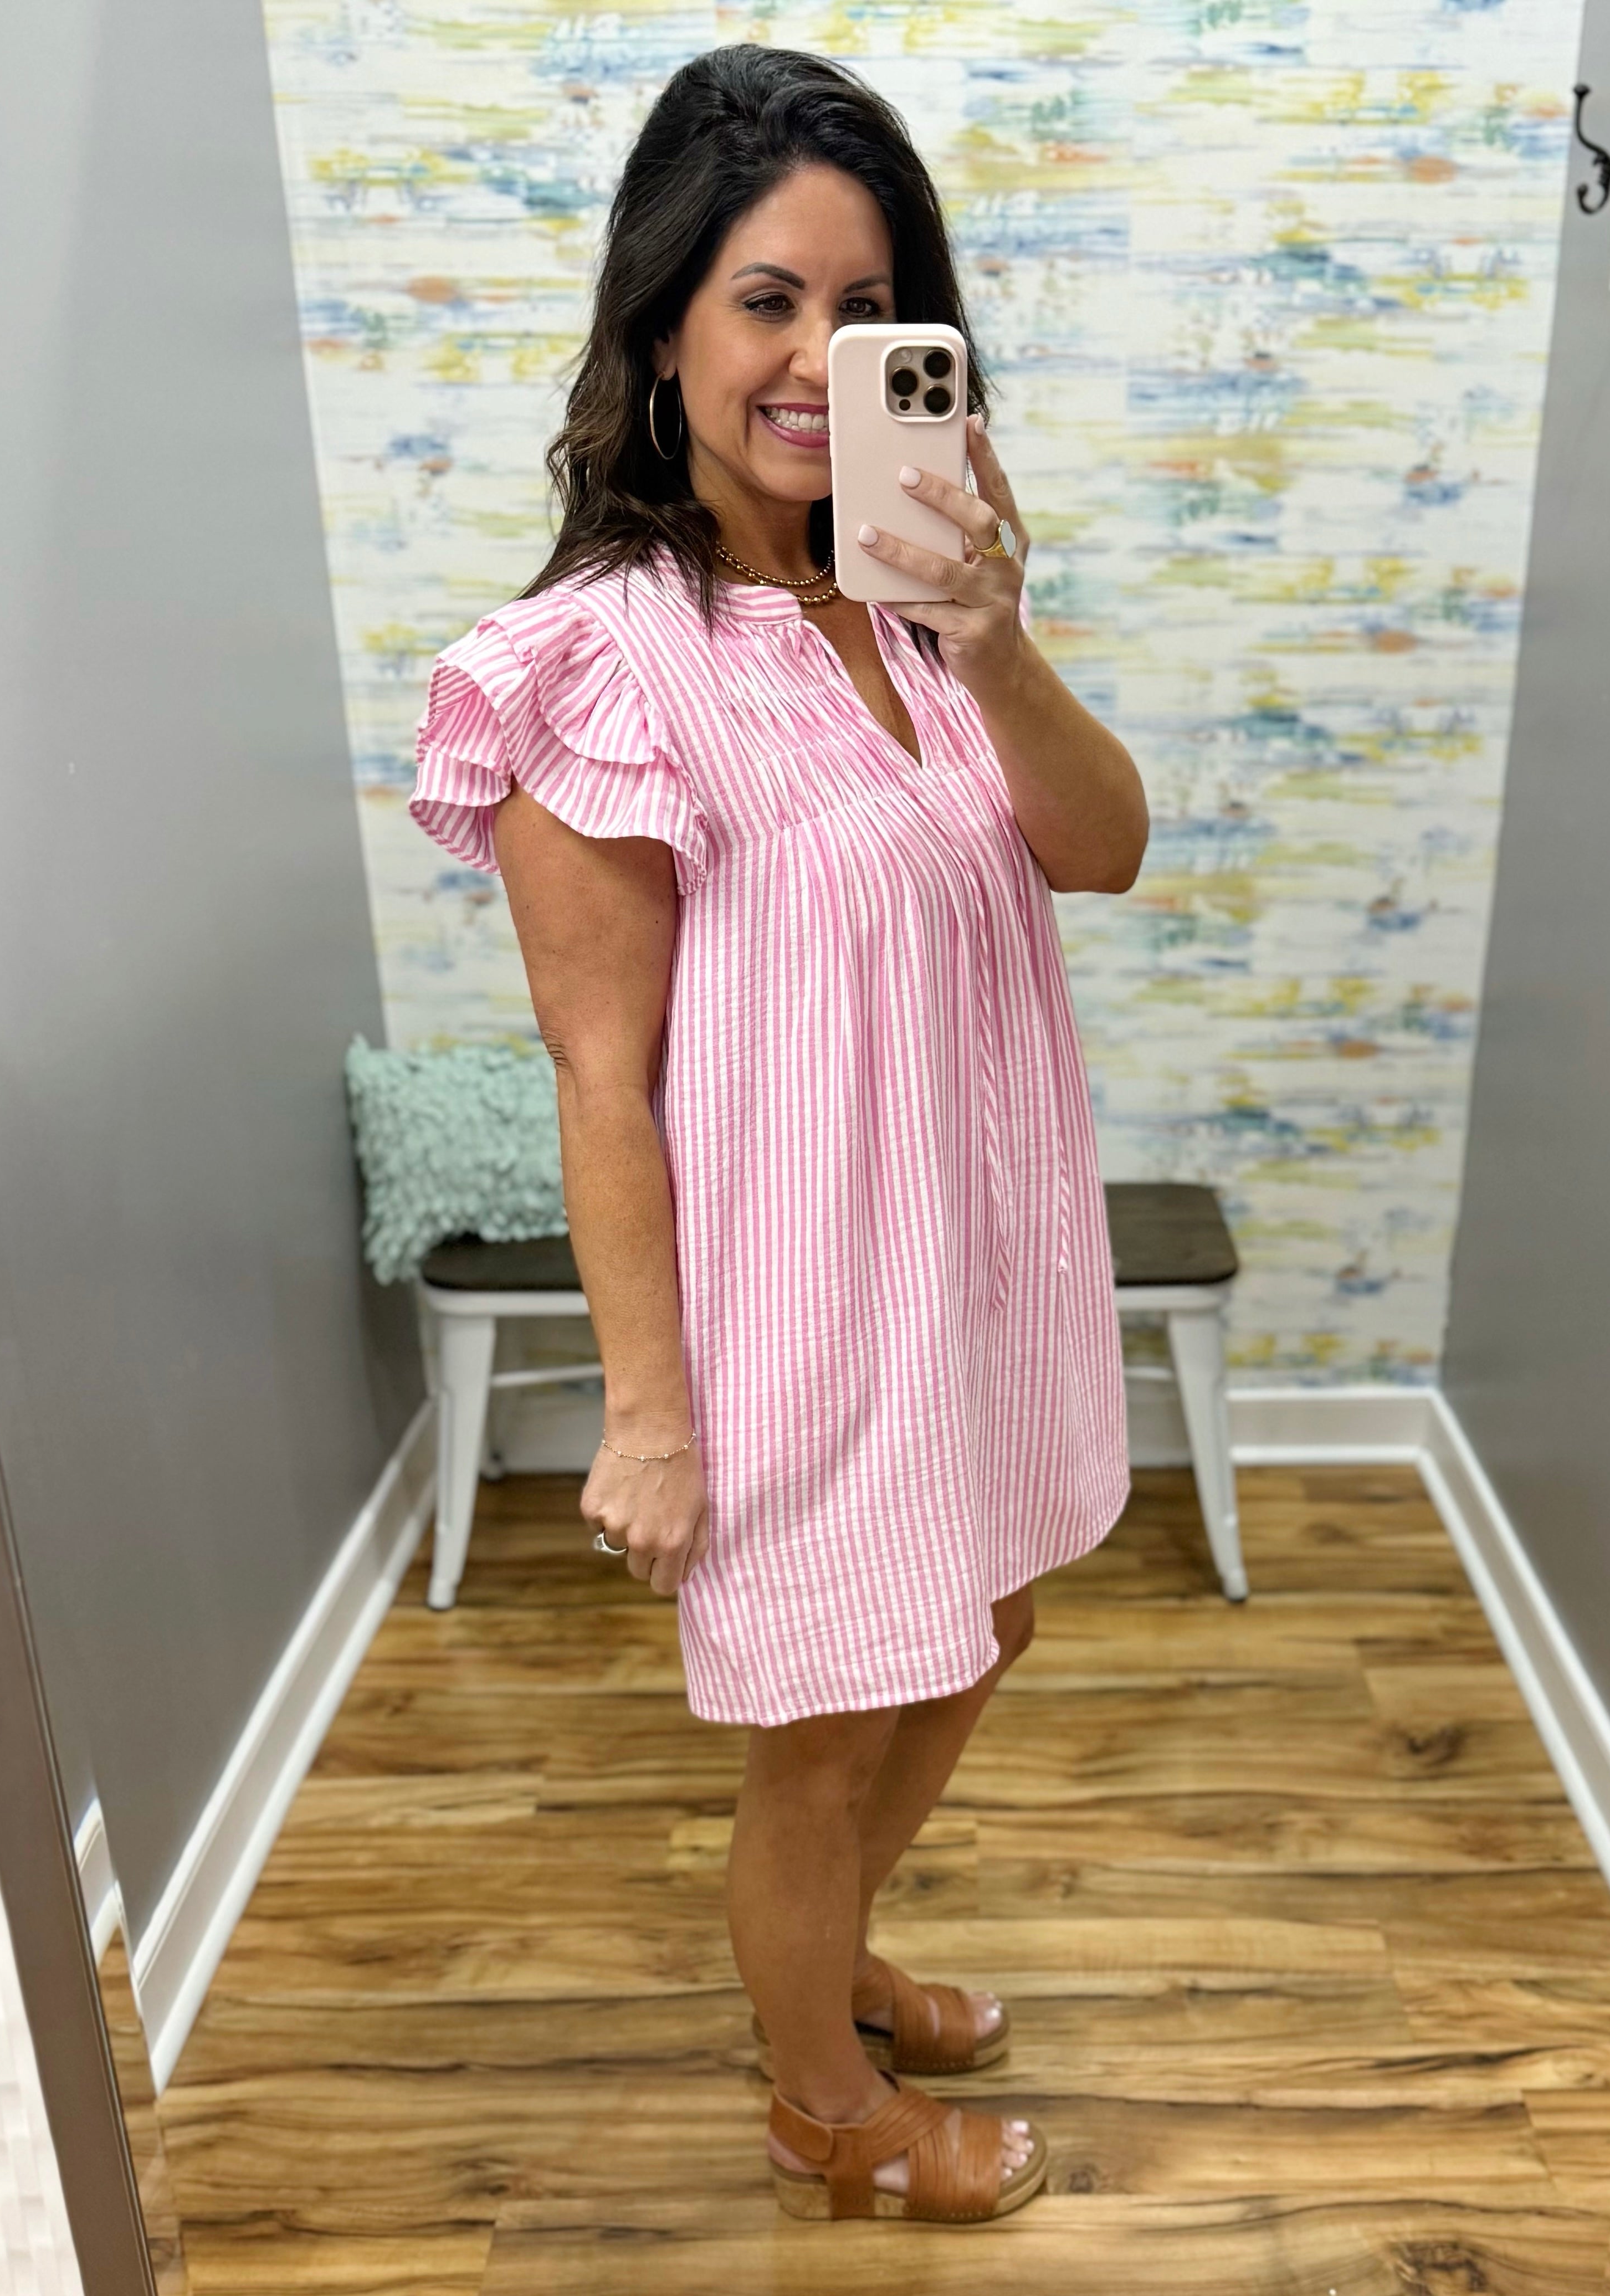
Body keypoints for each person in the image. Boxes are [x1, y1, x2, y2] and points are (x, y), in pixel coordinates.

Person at [409, 42, 1147, 2228]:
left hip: (974, 1271)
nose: (821, 360)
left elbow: (1093, 849)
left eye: (871, 307)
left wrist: (994, 637)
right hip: (799, 1310)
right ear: (662, 326)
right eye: (765, 300)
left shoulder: (920, 610)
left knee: (980, 1623)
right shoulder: (593, 667)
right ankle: (822, 2102)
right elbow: (597, 1076)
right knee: (823, 1725)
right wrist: (644, 1413)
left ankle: (819, 1957)